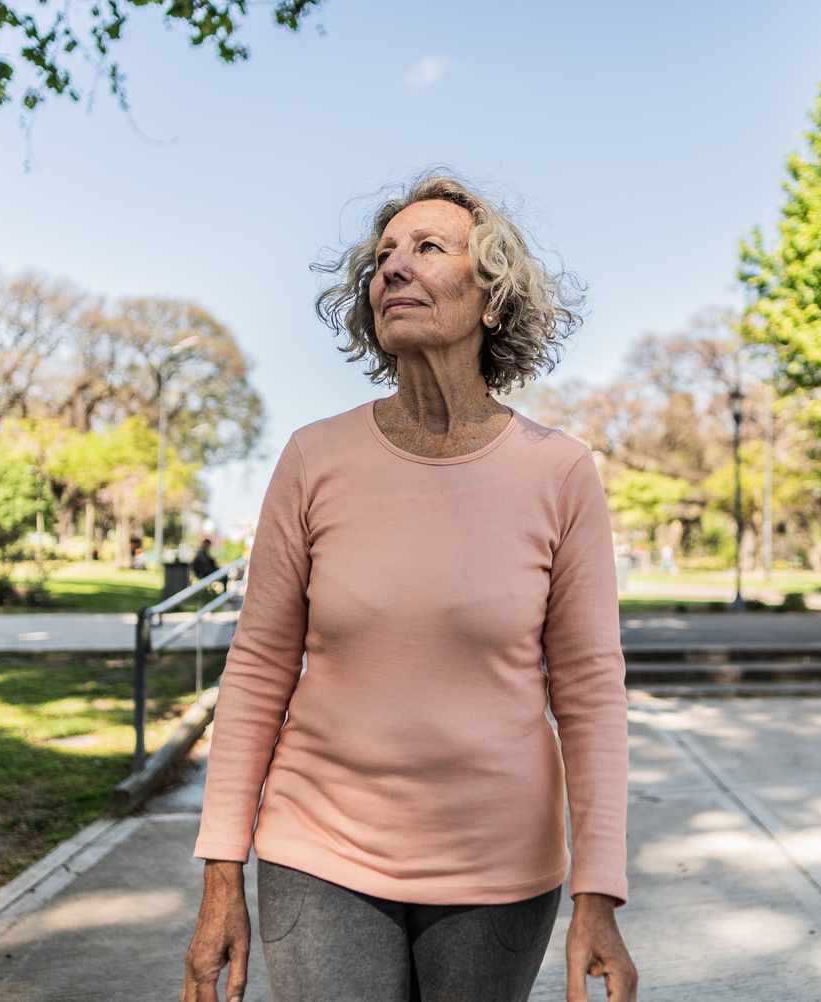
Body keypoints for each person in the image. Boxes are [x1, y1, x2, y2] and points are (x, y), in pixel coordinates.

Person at [180, 170, 637, 1002]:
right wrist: (221, 871)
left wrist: (598, 891)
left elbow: (591, 693)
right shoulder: (315, 458)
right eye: (385, 254)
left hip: (499, 869)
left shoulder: (558, 471)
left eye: (429, 248)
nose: (394, 267)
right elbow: (256, 671)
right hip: (317, 850)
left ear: (492, 300)